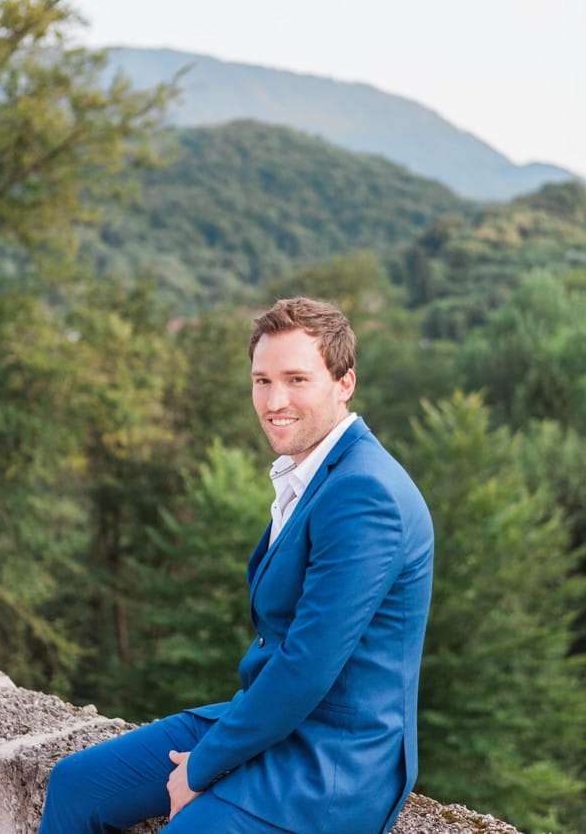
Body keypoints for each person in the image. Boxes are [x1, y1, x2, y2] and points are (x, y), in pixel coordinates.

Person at [39, 297, 433, 834]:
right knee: (75, 785)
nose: (274, 400)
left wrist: (200, 768)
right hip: (269, 719)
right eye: (261, 380)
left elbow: (308, 664)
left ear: (344, 383)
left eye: (297, 379)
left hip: (331, 764)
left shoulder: (363, 493)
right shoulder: (311, 474)